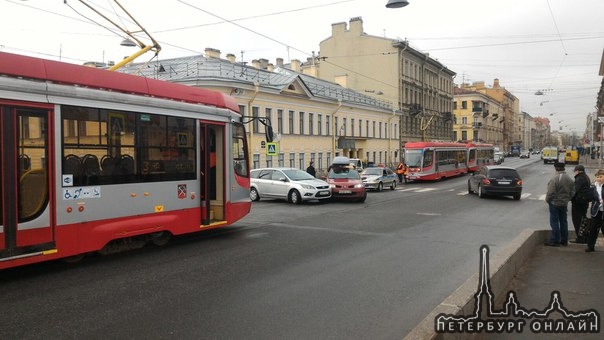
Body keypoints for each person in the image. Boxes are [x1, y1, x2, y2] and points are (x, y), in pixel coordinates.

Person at [544, 162, 575, 247]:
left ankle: (555, 240)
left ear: (556, 168)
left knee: (554, 222)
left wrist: (548, 200)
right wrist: (568, 199)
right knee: (563, 222)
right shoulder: (569, 178)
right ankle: (564, 240)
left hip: (555, 203)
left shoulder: (555, 178)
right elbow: (573, 191)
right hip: (564, 204)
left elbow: (551, 192)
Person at [571, 165, 592, 243]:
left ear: (578, 171)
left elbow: (575, 190)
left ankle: (580, 238)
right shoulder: (586, 177)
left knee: (577, 220)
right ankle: (585, 237)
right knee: (583, 220)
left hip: (578, 202)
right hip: (584, 202)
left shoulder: (579, 178)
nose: (574, 172)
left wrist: (570, 197)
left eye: (575, 171)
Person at [586, 169, 604, 252]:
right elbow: (590, 197)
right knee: (593, 229)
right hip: (596, 211)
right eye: (597, 177)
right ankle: (591, 246)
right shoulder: (593, 187)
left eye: (601, 177)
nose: (599, 178)